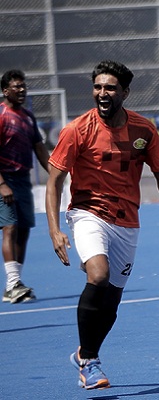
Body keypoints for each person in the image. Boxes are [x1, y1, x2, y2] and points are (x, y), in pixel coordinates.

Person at [45, 60, 159, 390]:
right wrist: (55, 229)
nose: (102, 92)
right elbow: (54, 181)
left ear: (125, 92)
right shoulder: (76, 130)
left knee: (111, 301)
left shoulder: (144, 130)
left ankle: (87, 353)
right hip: (87, 213)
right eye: (98, 86)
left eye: (110, 87)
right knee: (98, 274)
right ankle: (89, 362)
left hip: (127, 222)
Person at [1, 70, 50, 303]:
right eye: (16, 86)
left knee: (23, 231)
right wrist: (2, 184)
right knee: (9, 227)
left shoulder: (28, 117)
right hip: (4, 181)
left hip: (22, 181)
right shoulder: (1, 115)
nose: (21, 90)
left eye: (23, 86)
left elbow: (39, 149)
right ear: (5, 91)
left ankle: (14, 285)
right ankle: (13, 283)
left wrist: (56, 174)